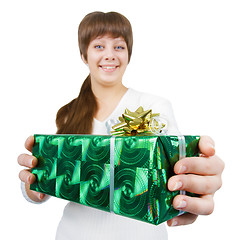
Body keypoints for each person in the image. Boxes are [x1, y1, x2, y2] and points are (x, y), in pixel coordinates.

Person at [17, 11, 224, 239]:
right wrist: (33, 185)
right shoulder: (68, 114)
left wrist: (191, 188)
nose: (109, 55)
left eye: (118, 47)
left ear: (128, 54)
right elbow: (51, 176)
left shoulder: (154, 107)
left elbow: (177, 167)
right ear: (84, 55)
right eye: (98, 46)